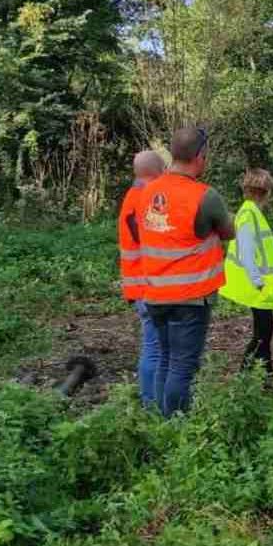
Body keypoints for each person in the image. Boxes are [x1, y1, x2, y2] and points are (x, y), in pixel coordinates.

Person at [136, 127, 235, 417]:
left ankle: (159, 419)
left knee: (165, 360)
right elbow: (228, 230)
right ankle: (176, 429)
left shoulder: (148, 191)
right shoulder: (205, 196)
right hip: (189, 298)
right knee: (182, 368)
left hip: (154, 294)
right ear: (199, 157)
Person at [220, 168, 273, 374]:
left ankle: (266, 375)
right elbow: (247, 254)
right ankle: (247, 375)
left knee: (264, 332)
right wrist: (258, 281)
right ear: (266, 192)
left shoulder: (250, 212)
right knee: (262, 334)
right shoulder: (249, 214)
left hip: (257, 286)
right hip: (256, 287)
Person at [118, 150, 166, 408]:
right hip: (147, 285)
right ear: (157, 171)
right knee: (154, 348)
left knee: (153, 347)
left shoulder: (132, 197)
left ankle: (152, 402)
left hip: (140, 284)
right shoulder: (143, 200)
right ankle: (152, 405)